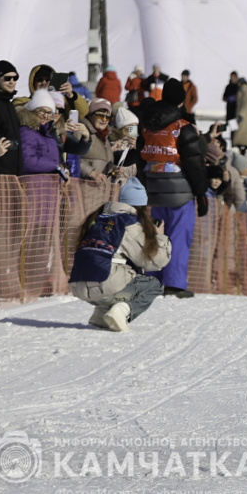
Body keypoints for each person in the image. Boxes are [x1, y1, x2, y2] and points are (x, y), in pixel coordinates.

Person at [69, 177, 171, 331]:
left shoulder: (97, 218)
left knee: (124, 266)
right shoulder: (129, 223)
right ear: (142, 205)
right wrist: (159, 237)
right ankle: (121, 311)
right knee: (152, 285)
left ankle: (101, 314)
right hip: (104, 285)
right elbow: (154, 262)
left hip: (78, 285)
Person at [136, 78, 208, 298]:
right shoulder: (182, 127)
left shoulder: (147, 124)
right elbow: (194, 163)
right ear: (181, 100)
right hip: (180, 190)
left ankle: (152, 279)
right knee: (178, 235)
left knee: (155, 234)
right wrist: (201, 192)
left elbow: (140, 156)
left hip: (154, 189)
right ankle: (175, 283)